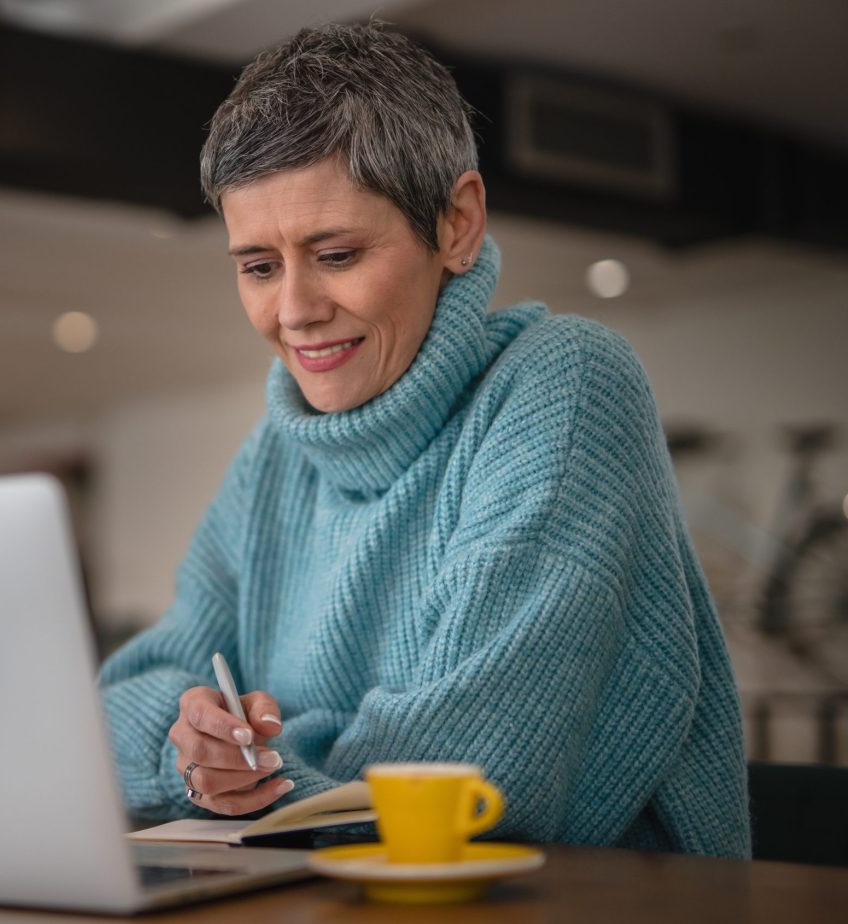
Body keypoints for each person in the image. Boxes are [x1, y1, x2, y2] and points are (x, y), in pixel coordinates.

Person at [98, 21, 750, 857]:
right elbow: (112, 709)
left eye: (334, 254)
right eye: (258, 266)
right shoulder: (277, 455)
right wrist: (192, 752)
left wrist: (261, 772)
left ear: (457, 224)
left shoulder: (564, 385)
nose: (293, 310)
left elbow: (470, 778)